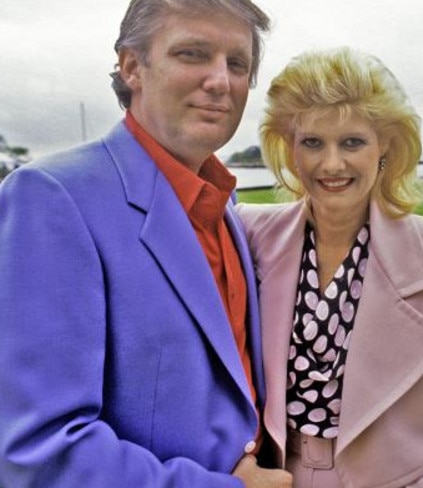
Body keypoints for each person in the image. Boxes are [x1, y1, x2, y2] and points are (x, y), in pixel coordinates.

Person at [0, 1, 292, 487]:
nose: (221, 81)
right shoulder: (51, 198)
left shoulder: (224, 206)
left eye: (237, 63)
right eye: (193, 54)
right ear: (132, 67)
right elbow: (38, 451)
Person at [236, 47, 423, 488]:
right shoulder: (250, 231)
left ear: (385, 147)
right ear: (290, 150)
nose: (332, 163)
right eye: (313, 142)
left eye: (352, 142)